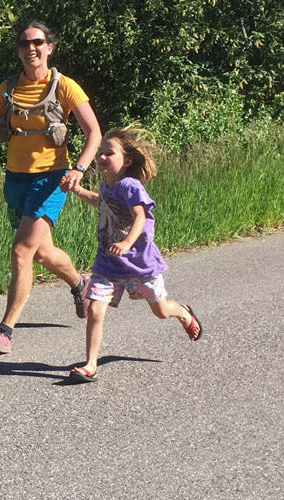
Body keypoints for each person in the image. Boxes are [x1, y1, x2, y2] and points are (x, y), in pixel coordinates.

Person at [0, 20, 102, 354]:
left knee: (20, 251)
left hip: (51, 179)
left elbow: (94, 134)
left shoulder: (65, 86)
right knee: (41, 253)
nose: (31, 49)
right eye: (24, 44)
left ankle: (5, 332)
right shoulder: (7, 87)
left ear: (49, 47)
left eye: (37, 43)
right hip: (15, 179)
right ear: (19, 50)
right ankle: (80, 283)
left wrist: (79, 169)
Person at [62, 124, 202, 382]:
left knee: (160, 311)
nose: (102, 157)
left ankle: (182, 312)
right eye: (101, 152)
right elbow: (102, 202)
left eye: (109, 153)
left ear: (126, 160)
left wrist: (127, 242)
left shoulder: (130, 186)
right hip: (108, 264)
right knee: (95, 311)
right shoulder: (106, 185)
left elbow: (140, 215)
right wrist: (79, 191)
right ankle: (90, 365)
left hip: (139, 264)